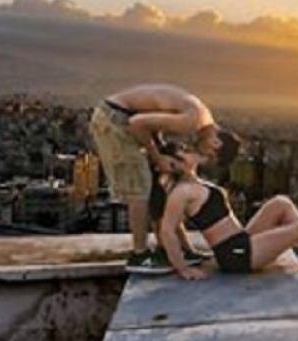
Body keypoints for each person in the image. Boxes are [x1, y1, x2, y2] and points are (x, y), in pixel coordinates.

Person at [153, 141, 298, 280]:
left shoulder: (196, 183)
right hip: (235, 256)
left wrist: (192, 251)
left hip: (240, 241)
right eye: (183, 150)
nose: (190, 149)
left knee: (280, 202)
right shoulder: (181, 192)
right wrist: (183, 269)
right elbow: (167, 230)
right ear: (178, 162)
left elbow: (179, 229)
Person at [89, 85, 241, 275]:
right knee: (140, 188)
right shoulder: (192, 121)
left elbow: (151, 122)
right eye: (210, 155)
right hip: (115, 120)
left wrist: (162, 153)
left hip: (123, 118)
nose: (203, 154)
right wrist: (158, 158)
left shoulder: (202, 118)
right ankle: (139, 255)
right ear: (216, 143)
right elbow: (137, 123)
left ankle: (176, 249)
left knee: (154, 185)